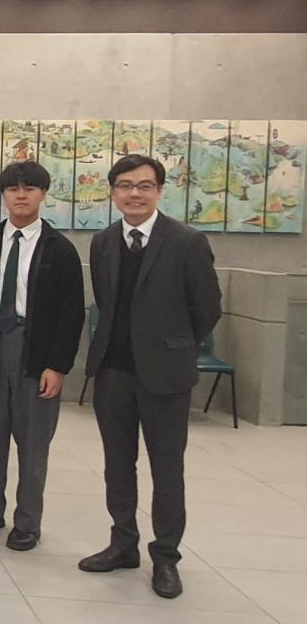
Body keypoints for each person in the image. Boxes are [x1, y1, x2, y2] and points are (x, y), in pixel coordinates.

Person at [80, 154, 222, 599]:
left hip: (166, 375)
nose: (134, 194)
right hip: (113, 371)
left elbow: (207, 308)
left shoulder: (187, 241)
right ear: (112, 192)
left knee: (167, 468)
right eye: (125, 185)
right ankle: (123, 544)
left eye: (144, 186)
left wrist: (173, 345)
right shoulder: (103, 242)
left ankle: (166, 557)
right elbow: (107, 302)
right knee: (118, 465)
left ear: (159, 191)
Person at [0, 162, 85, 551]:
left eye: (29, 188)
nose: (21, 195)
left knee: (33, 443)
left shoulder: (60, 250)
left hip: (36, 353)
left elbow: (71, 314)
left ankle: (28, 521)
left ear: (43, 194)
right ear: (3, 195)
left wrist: (58, 366)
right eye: (13, 189)